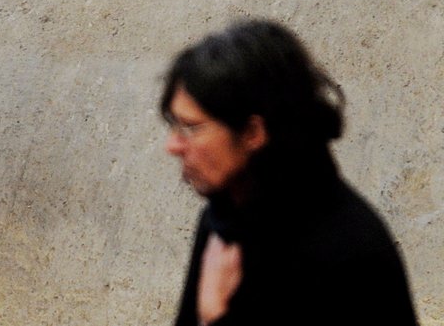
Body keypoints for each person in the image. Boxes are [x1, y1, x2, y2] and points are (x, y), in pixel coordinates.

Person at [161, 20, 419, 326]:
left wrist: (216, 315)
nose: (173, 146)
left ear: (253, 132)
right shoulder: (225, 222)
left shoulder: (348, 252)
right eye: (174, 125)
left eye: (192, 128)